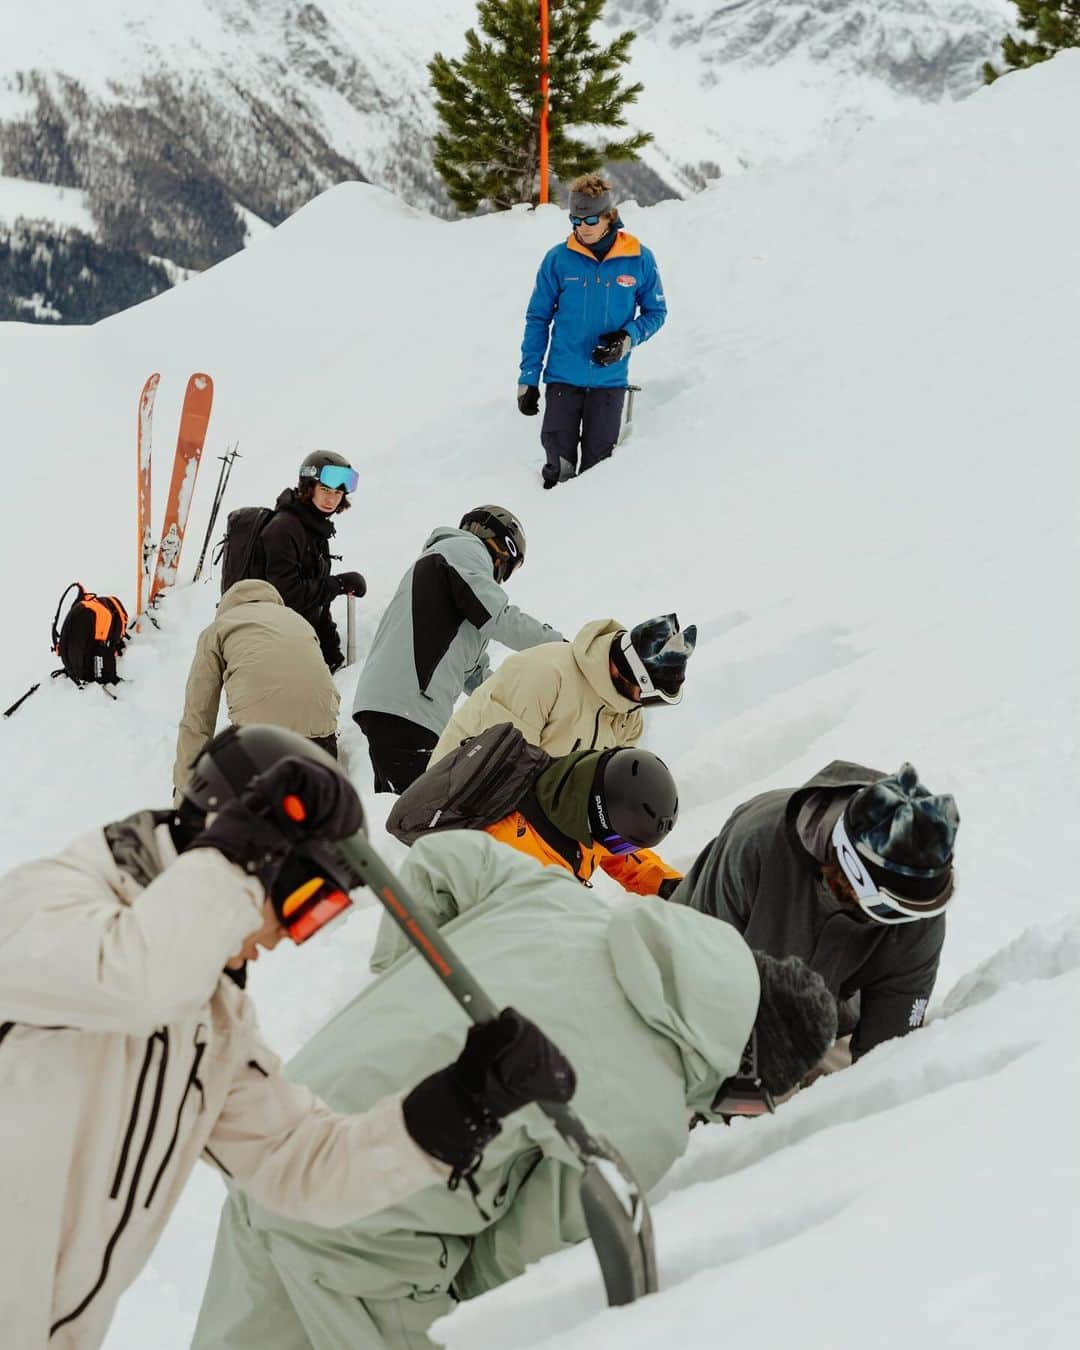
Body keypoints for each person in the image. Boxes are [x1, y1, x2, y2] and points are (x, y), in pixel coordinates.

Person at [0, 725, 573, 1350]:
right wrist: (239, 857)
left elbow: (300, 1165)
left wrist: (463, 1104)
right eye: (303, 903)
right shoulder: (46, 902)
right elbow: (137, 981)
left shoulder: (210, 1022)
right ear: (245, 848)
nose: (282, 939)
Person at [192, 829, 837, 1350]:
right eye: (751, 1105)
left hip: (284, 1134)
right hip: (369, 1236)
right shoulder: (650, 1117)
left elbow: (441, 860)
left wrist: (404, 987)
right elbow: (509, 1258)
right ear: (747, 1063)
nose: (732, 1115)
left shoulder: (559, 899)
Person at [669, 760, 961, 1067]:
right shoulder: (757, 845)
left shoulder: (918, 909)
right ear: (850, 870)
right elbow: (700, 978)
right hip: (687, 993)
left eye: (914, 911)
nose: (906, 923)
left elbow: (887, 1054)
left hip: (821, 1018)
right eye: (889, 910)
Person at [352, 506, 563, 793]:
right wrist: (563, 649)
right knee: (425, 813)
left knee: (403, 809)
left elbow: (475, 675)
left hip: (398, 705)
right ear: (503, 548)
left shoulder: (450, 582)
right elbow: (500, 618)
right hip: (407, 707)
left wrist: (521, 708)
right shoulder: (462, 550)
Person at [389, 728, 683, 897]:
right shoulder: (523, 861)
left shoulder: (570, 788)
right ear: (597, 816)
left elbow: (618, 854)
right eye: (620, 842)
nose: (620, 850)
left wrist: (668, 885)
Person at [518, 173, 668, 489]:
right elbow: (537, 319)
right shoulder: (558, 260)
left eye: (589, 220)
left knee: (599, 474)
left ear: (609, 215)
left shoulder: (638, 258)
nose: (581, 228)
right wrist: (528, 378)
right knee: (558, 469)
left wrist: (627, 338)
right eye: (575, 220)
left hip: (609, 382)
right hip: (562, 379)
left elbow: (656, 313)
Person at [432, 613, 698, 763]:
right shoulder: (546, 673)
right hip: (455, 803)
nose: (643, 705)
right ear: (624, 671)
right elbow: (499, 768)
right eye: (649, 696)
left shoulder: (627, 717)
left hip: (528, 826)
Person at [172, 579, 340, 794]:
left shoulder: (219, 628)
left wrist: (186, 792)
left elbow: (198, 717)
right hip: (321, 736)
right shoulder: (298, 621)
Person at [258, 450, 367, 673]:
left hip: (294, 643)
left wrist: (331, 653)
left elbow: (316, 604)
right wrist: (337, 584)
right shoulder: (284, 529)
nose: (331, 499)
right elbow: (287, 596)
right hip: (270, 649)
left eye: (338, 493)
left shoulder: (315, 531)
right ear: (309, 488)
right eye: (325, 490)